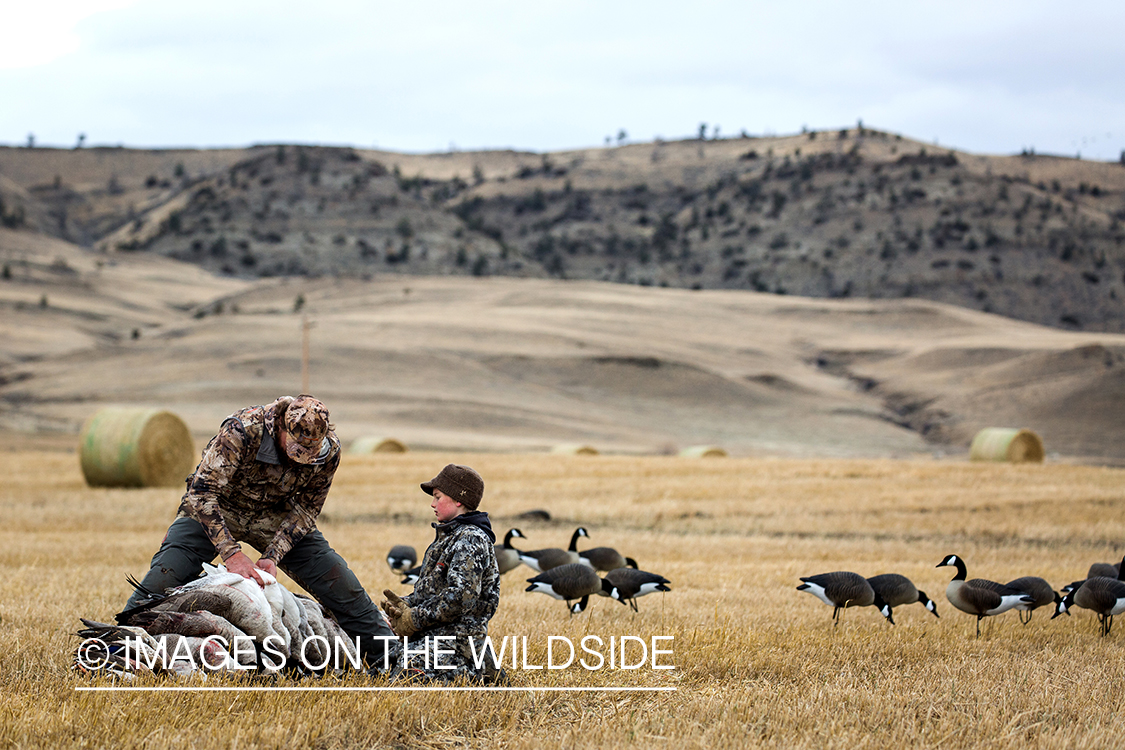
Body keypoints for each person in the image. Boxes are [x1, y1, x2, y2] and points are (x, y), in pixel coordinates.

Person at [122, 394, 394, 665]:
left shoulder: (329, 452)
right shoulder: (242, 430)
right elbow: (202, 492)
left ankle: (394, 658)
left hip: (277, 514)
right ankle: (116, 647)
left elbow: (306, 510)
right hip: (218, 508)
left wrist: (273, 555)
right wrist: (232, 555)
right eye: (295, 448)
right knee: (161, 582)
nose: (301, 459)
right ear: (281, 428)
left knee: (342, 586)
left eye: (308, 453)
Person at [379, 464, 501, 682]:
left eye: (437, 497)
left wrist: (413, 618)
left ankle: (478, 672)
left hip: (459, 641)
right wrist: (403, 606)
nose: (432, 504)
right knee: (377, 662)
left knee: (409, 677)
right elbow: (430, 592)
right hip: (435, 634)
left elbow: (460, 598)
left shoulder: (470, 539)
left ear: (458, 500)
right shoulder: (447, 538)